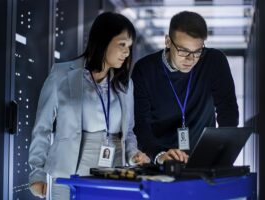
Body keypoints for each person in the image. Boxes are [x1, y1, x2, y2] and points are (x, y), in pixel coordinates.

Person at [29, 12, 150, 199]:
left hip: (113, 175)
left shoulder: (125, 84)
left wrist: (134, 154)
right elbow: (42, 128)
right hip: (68, 174)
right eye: (122, 44)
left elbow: (129, 132)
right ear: (103, 41)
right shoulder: (61, 74)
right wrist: (37, 172)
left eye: (129, 47)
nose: (127, 52)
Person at [132, 11, 239, 165]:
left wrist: (222, 152)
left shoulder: (214, 61)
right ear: (168, 42)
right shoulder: (145, 70)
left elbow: (227, 110)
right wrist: (160, 155)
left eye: (197, 52)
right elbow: (141, 126)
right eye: (183, 51)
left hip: (204, 159)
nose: (190, 59)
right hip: (162, 159)